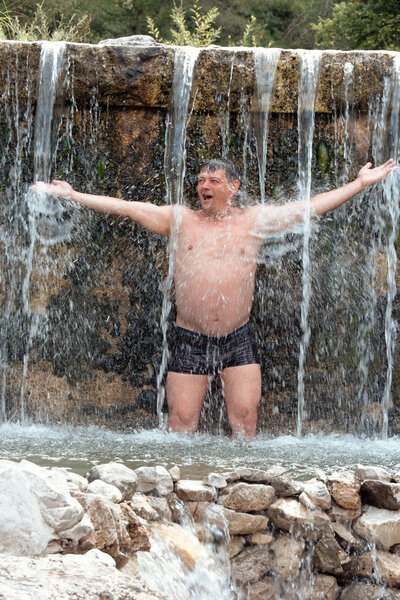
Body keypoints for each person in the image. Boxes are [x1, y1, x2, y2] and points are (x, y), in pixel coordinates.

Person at [36, 157, 397, 438]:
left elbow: (309, 208)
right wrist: (74, 195)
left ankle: (245, 487)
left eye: (212, 181)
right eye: (199, 181)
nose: (203, 186)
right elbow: (127, 206)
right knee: (181, 421)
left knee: (245, 419)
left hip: (238, 338)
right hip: (190, 338)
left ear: (233, 187)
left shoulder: (254, 220)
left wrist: (358, 184)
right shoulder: (180, 219)